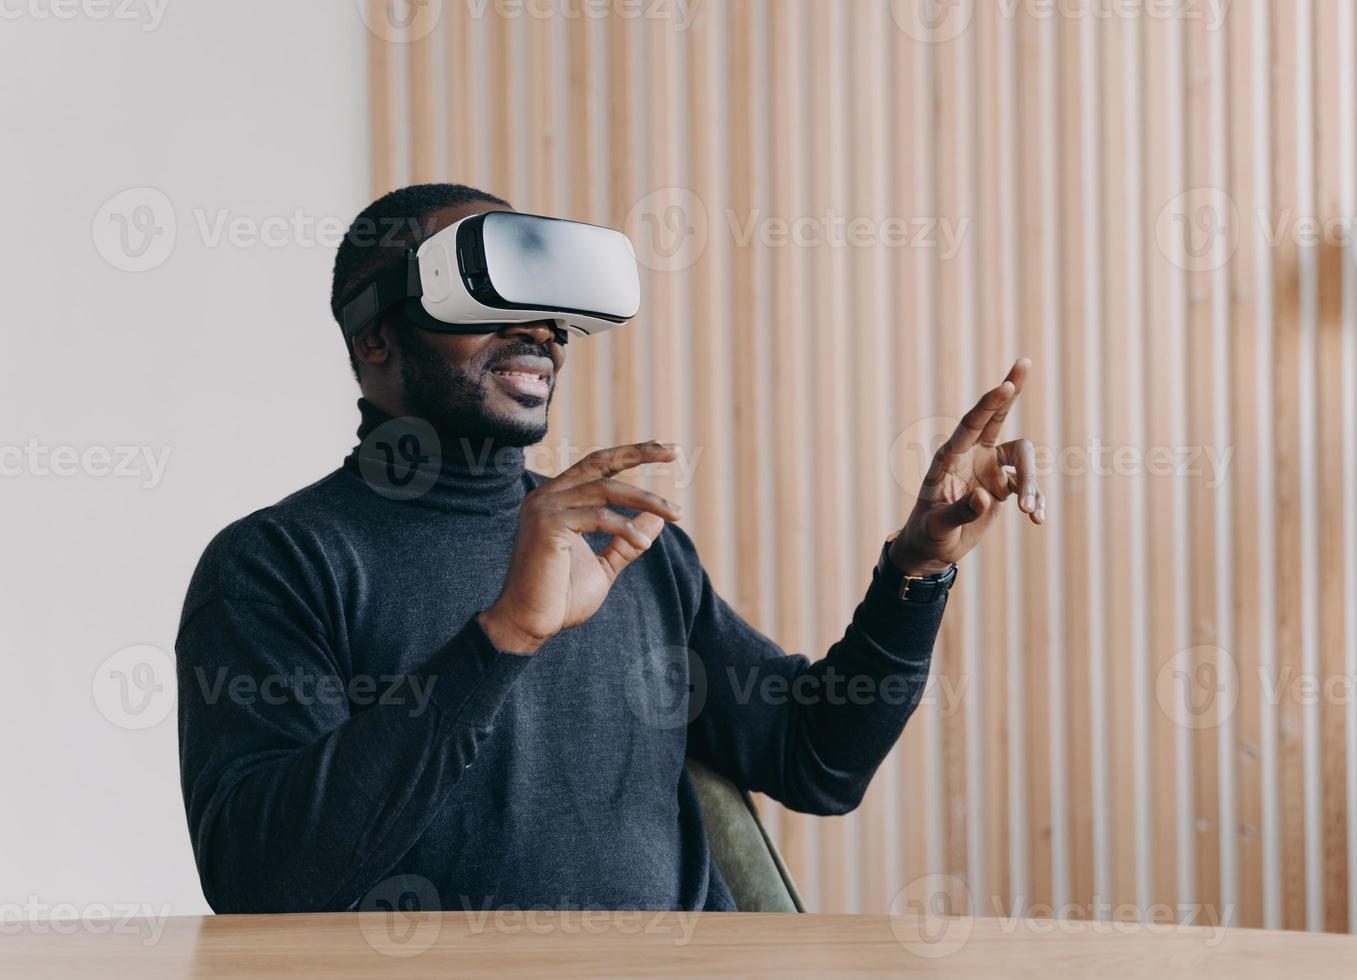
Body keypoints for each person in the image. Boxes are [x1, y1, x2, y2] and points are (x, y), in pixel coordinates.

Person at [174, 183, 1046, 914]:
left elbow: (817, 761)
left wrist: (916, 570)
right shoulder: (277, 564)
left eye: (551, 309)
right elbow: (263, 881)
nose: (544, 332)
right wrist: (505, 634)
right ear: (376, 337)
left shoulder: (623, 541)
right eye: (489, 297)